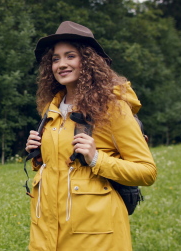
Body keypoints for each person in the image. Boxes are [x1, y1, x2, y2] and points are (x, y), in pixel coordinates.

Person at [25, 21, 157, 251]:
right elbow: (63, 169)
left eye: (70, 56)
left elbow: (147, 172)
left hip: (97, 238)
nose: (61, 65)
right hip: (47, 235)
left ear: (87, 61)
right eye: (56, 59)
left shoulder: (112, 108)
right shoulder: (51, 109)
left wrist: (97, 159)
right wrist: (38, 155)